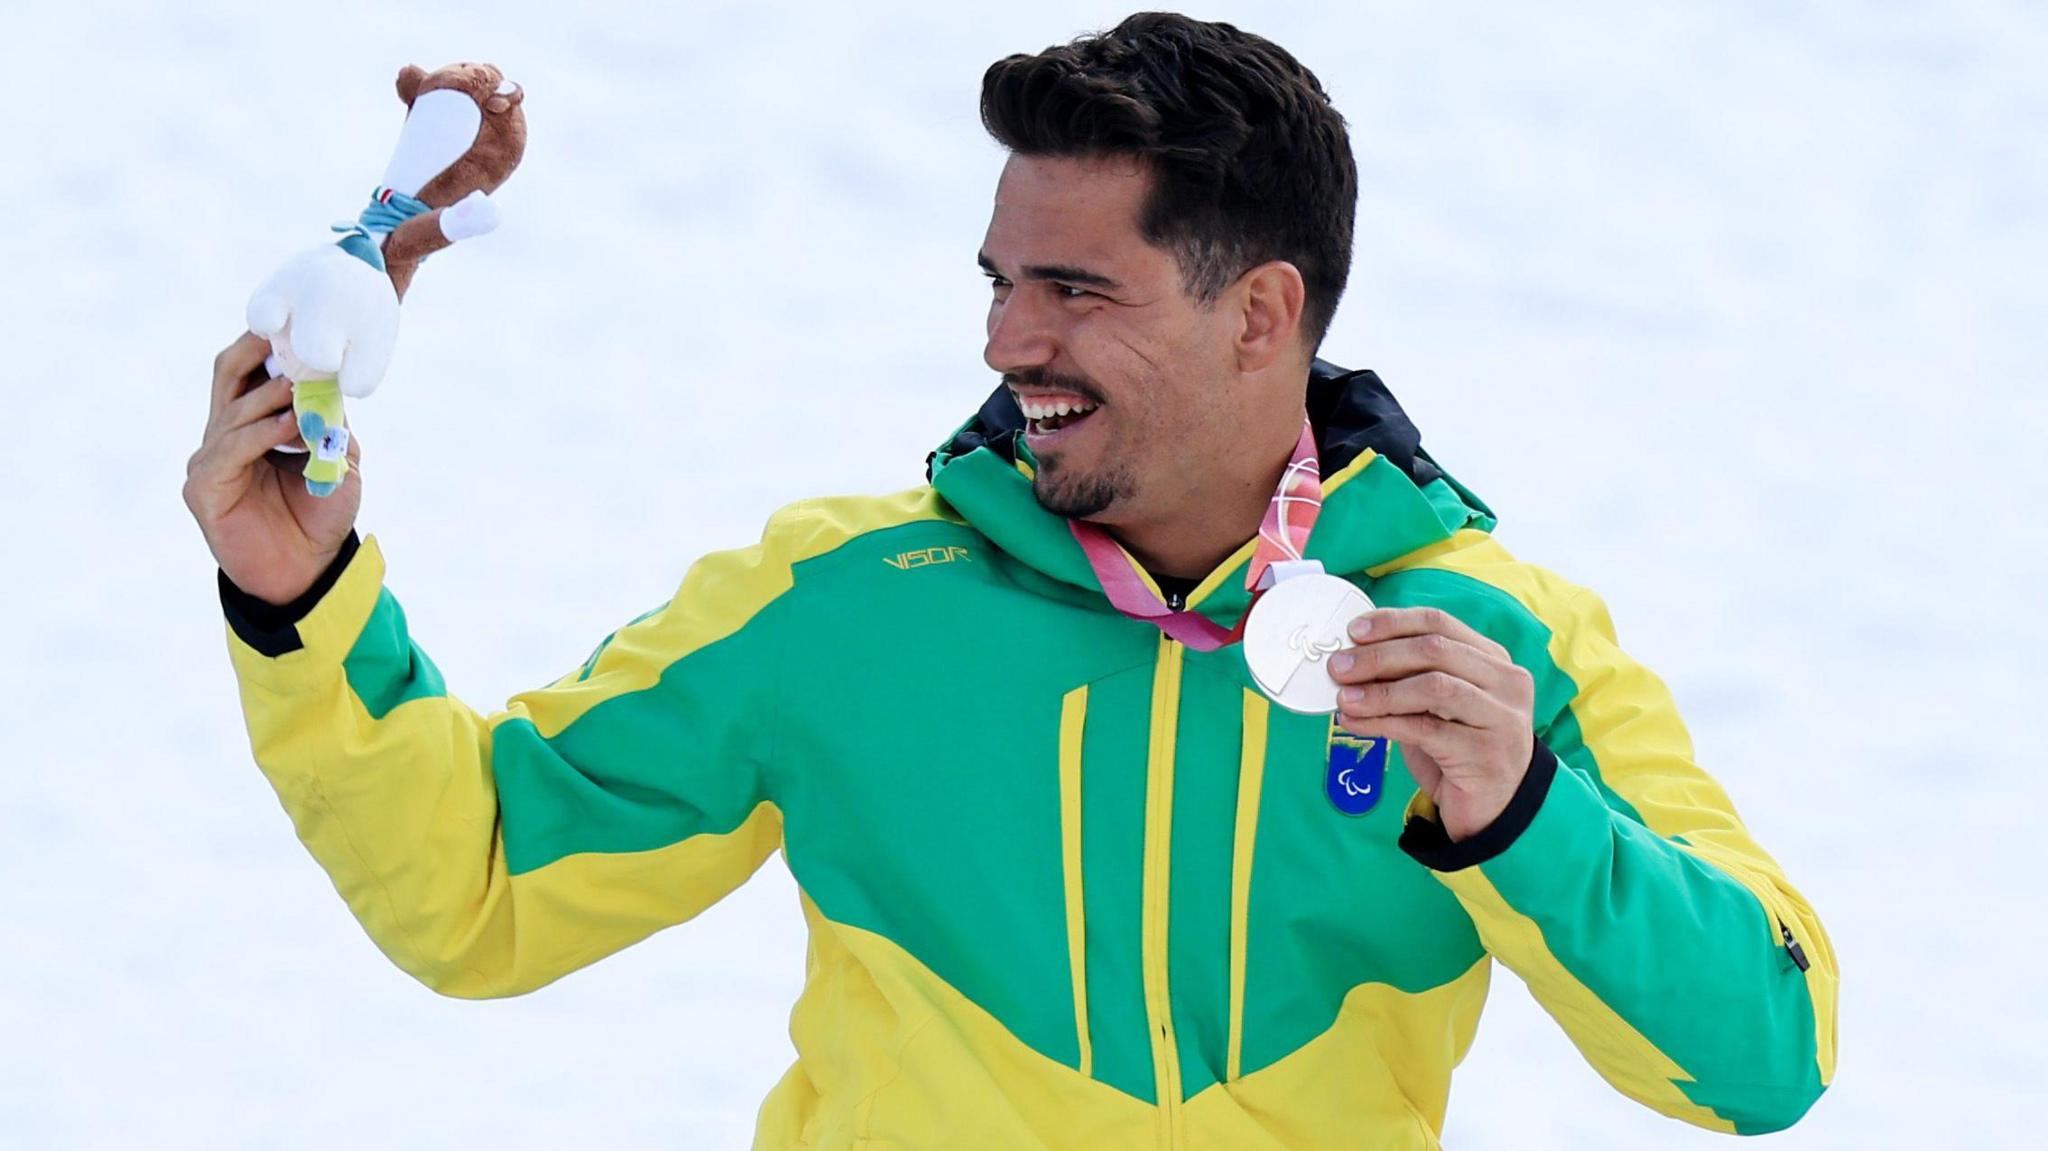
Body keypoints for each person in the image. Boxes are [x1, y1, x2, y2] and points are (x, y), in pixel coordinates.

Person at [184, 13, 1837, 1149]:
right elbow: (481, 887)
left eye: (1072, 289)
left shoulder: (1485, 646)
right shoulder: (849, 600)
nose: (1004, 343)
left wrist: (1524, 818)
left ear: (1261, 315)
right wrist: (299, 605)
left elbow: (1767, 1056)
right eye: (996, 282)